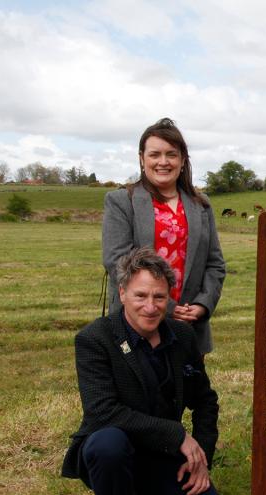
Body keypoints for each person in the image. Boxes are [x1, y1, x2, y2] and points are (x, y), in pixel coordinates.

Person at [61, 248, 231, 495]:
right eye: (140, 295)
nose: (151, 307)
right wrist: (179, 435)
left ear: (170, 297)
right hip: (111, 449)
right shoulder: (95, 339)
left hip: (160, 455)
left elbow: (205, 401)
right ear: (122, 292)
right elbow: (103, 411)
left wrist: (202, 457)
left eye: (159, 296)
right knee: (108, 443)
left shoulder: (182, 336)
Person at [102, 118, 225, 354]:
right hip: (137, 322)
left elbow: (215, 263)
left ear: (182, 160)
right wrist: (165, 306)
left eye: (171, 154)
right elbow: (117, 261)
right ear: (141, 158)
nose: (163, 162)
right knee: (137, 390)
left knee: (188, 391)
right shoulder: (121, 201)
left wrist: (202, 305)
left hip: (189, 325)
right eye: (154, 154)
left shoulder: (201, 204)